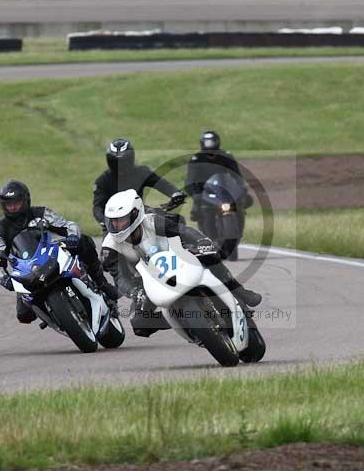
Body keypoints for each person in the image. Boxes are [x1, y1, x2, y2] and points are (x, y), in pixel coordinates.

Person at [101, 189, 262, 337]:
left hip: (176, 257)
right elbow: (120, 278)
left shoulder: (152, 221)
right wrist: (134, 292)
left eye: (121, 220)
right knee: (139, 324)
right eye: (113, 222)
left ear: (136, 213)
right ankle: (186, 323)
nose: (117, 226)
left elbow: (184, 232)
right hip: (145, 282)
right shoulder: (110, 248)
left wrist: (201, 241)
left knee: (209, 256)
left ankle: (240, 292)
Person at [0, 180, 122, 324]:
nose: (13, 207)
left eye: (16, 203)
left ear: (26, 200)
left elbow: (67, 225)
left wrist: (72, 237)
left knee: (84, 241)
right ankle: (53, 314)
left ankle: (101, 283)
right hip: (26, 272)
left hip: (50, 256)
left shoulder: (41, 212)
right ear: (3, 205)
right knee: (24, 315)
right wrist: (5, 280)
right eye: (9, 204)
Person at [92, 138, 186, 233]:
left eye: (124, 162)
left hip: (139, 215)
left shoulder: (141, 172)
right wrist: (105, 222)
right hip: (115, 222)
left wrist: (175, 193)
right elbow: (97, 207)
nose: (120, 166)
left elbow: (161, 184)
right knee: (108, 245)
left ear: (130, 159)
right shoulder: (103, 181)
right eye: (115, 163)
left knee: (177, 221)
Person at [184, 130, 252, 258]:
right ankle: (209, 237)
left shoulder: (226, 156)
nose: (209, 145)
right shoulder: (196, 158)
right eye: (207, 142)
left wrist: (241, 188)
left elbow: (236, 175)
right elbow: (190, 180)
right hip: (206, 193)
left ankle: (236, 230)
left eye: (212, 142)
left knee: (242, 204)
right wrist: (195, 193)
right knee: (198, 210)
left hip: (225, 191)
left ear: (217, 142)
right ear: (202, 143)